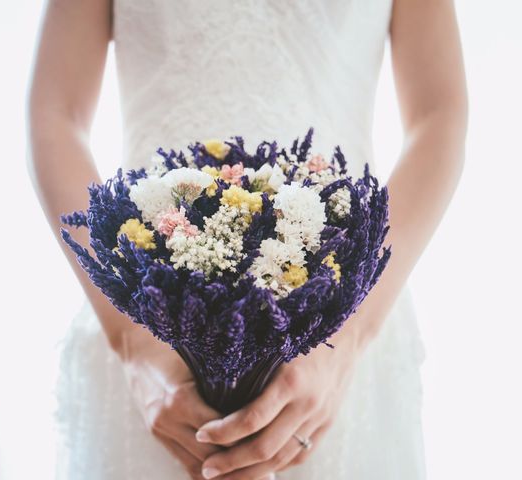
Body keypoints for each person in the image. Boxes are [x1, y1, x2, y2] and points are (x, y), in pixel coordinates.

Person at [27, 0, 467, 478]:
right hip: (143, 318)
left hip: (345, 335)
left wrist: (346, 335)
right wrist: (135, 340)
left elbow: (438, 114)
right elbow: (57, 112)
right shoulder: (137, 339)